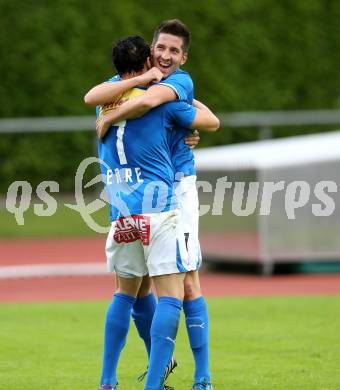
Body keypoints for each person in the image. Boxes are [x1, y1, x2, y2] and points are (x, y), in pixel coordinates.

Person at [85, 20, 214, 390]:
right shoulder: (162, 97)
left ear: (183, 56)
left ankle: (113, 379)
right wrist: (188, 121)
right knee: (174, 288)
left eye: (174, 51)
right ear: (148, 56)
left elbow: (96, 97)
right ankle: (158, 378)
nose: (165, 57)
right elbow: (212, 121)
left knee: (131, 291)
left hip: (121, 207)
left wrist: (111, 114)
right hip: (161, 202)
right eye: (160, 50)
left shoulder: (111, 97)